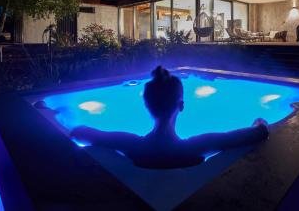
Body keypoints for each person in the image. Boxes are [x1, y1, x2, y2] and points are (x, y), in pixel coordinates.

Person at [71, 66, 269, 169]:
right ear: (181, 106)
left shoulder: (130, 144)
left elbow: (79, 132)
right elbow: (258, 132)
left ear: (146, 106)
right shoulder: (196, 146)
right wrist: (258, 122)